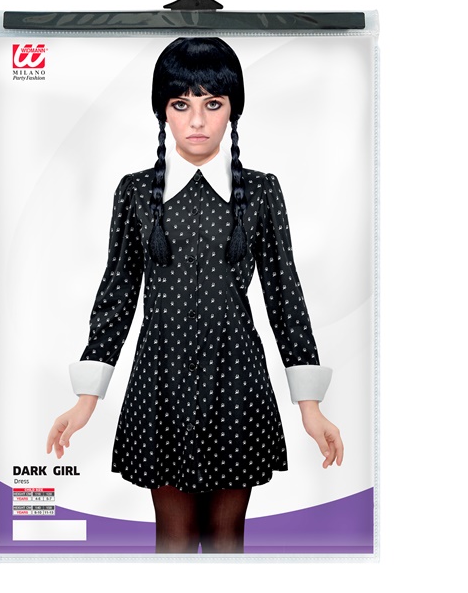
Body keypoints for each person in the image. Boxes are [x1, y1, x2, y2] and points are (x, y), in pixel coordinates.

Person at [46, 37, 343, 554]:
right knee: (175, 542)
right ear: (163, 111)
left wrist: (310, 406)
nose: (198, 120)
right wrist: (86, 398)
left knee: (227, 542)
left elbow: (285, 296)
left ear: (233, 110)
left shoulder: (261, 191)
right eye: (181, 104)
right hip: (160, 379)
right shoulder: (137, 193)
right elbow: (117, 295)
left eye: (213, 103)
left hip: (237, 379)